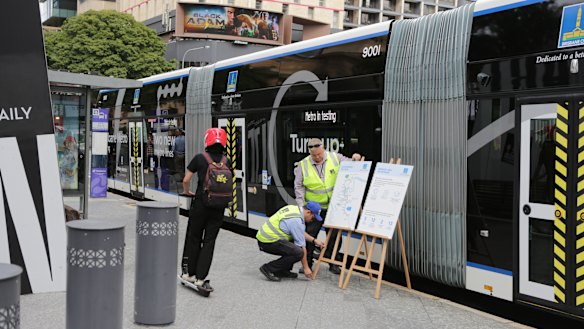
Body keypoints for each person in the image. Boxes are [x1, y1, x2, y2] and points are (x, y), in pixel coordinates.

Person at [294, 138, 363, 275]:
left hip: (333, 207)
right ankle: (307, 263)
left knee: (335, 237)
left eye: (319, 154)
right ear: (310, 153)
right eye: (314, 155)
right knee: (310, 236)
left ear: (323, 148)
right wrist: (302, 207)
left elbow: (351, 163)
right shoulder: (302, 165)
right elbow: (299, 187)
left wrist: (356, 158)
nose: (317, 157)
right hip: (314, 210)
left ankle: (334, 263)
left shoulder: (335, 158)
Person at [180, 128, 230, 292]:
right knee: (209, 241)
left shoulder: (200, 158)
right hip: (219, 206)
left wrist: (187, 192)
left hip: (201, 204)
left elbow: (186, 179)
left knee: (194, 238)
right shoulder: (226, 160)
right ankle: (201, 278)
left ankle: (189, 274)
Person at [257, 202, 325, 281]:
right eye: (313, 217)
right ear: (308, 212)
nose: (312, 220)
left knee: (294, 245)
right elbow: (302, 247)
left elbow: (300, 232)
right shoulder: (296, 220)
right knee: (299, 252)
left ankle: (282, 270)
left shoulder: (294, 209)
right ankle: (268, 268)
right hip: (267, 241)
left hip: (265, 237)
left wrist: (314, 240)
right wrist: (306, 268)